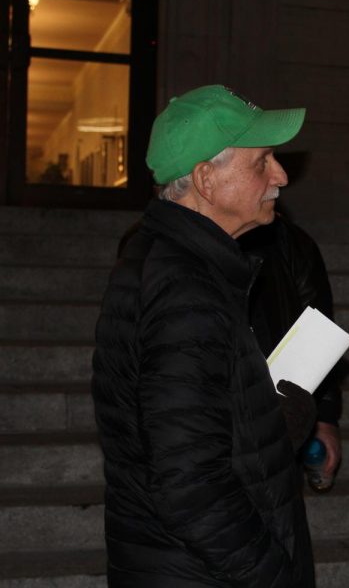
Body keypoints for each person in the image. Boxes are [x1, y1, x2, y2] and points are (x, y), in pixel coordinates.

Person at [92, 84, 317, 587]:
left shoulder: (175, 264)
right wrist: (273, 575)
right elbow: (191, 485)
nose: (280, 176)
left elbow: (194, 430)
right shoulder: (183, 286)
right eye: (262, 162)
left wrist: (271, 423)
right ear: (205, 180)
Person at [239, 214, 343, 486]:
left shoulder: (291, 241)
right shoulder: (158, 244)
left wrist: (324, 417)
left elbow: (318, 331)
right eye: (261, 167)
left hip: (278, 415)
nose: (279, 177)